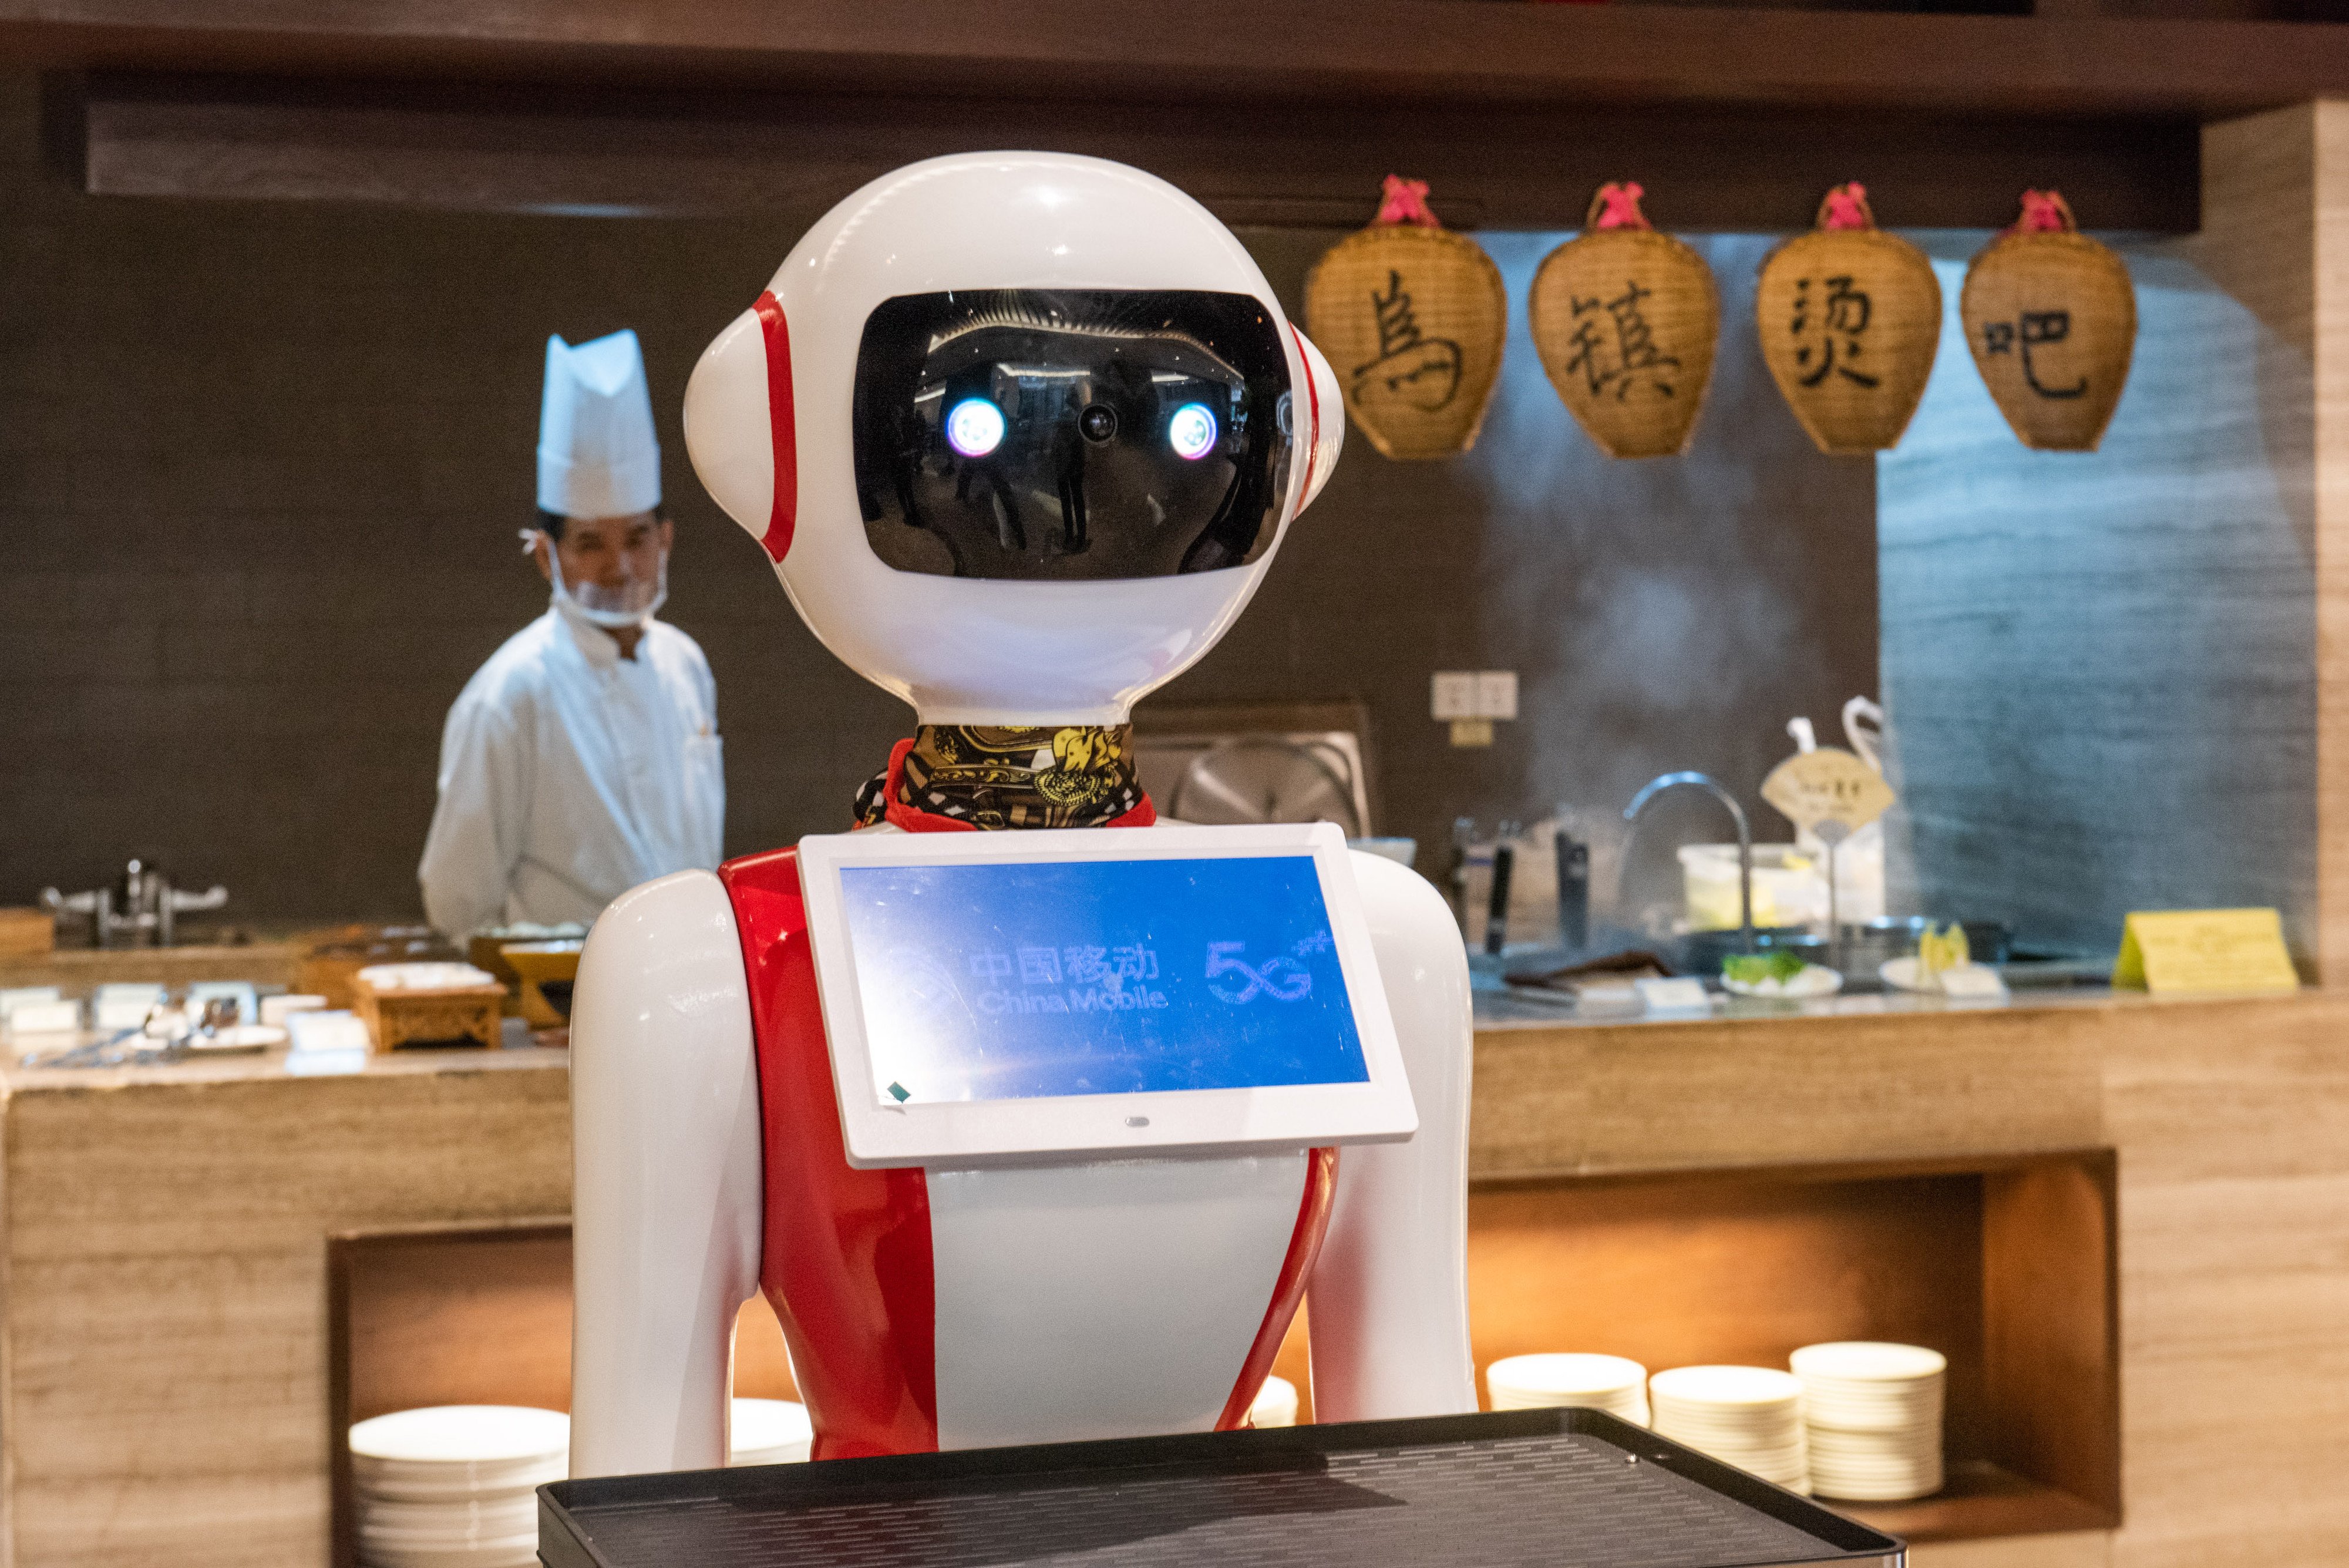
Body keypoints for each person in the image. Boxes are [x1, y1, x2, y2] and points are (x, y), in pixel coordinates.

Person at [417, 329, 724, 939]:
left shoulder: (686, 665)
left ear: (665, 541)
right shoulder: (509, 695)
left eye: (637, 538)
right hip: (563, 1005)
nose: (620, 567)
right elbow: (456, 902)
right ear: (545, 557)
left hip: (689, 982)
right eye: (590, 544)